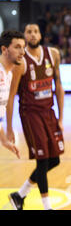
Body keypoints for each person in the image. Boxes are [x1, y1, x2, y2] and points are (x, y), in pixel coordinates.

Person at [6, 24, 65, 210]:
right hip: (31, 115)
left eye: (35, 31)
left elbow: (59, 87)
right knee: (42, 160)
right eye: (29, 32)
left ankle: (20, 195)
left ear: (41, 34)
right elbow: (11, 97)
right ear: (24, 37)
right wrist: (9, 128)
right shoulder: (21, 63)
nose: (32, 35)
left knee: (55, 159)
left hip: (49, 113)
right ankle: (47, 207)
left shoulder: (53, 54)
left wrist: (61, 118)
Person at [0, 30, 24, 158]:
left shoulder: (8, 74)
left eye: (23, 47)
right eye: (17, 47)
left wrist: (4, 141)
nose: (23, 52)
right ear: (4, 49)